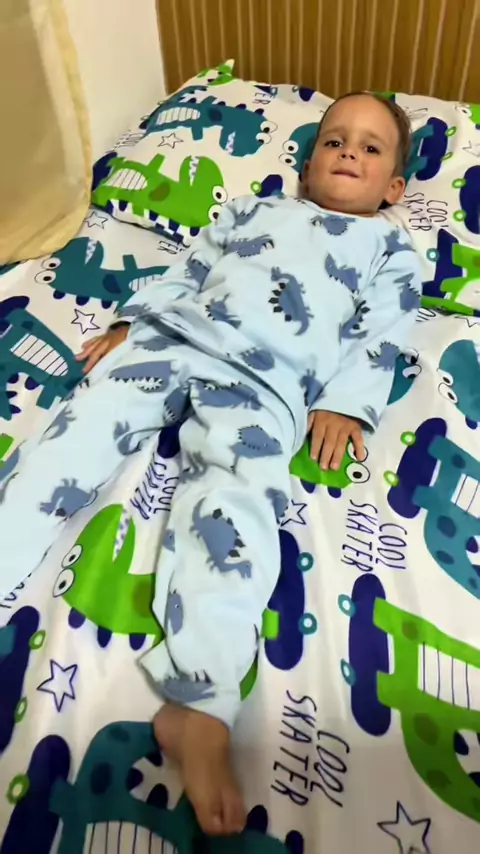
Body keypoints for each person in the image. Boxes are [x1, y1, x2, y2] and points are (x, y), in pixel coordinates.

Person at [0, 92, 421, 836]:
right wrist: (134, 319)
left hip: (265, 384)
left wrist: (347, 403)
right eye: (333, 140)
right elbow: (191, 267)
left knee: (236, 504)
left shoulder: (389, 249)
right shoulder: (254, 210)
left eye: (369, 147)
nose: (347, 153)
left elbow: (385, 334)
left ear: (393, 187)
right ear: (306, 163)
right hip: (173, 340)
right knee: (69, 440)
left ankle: (200, 698)